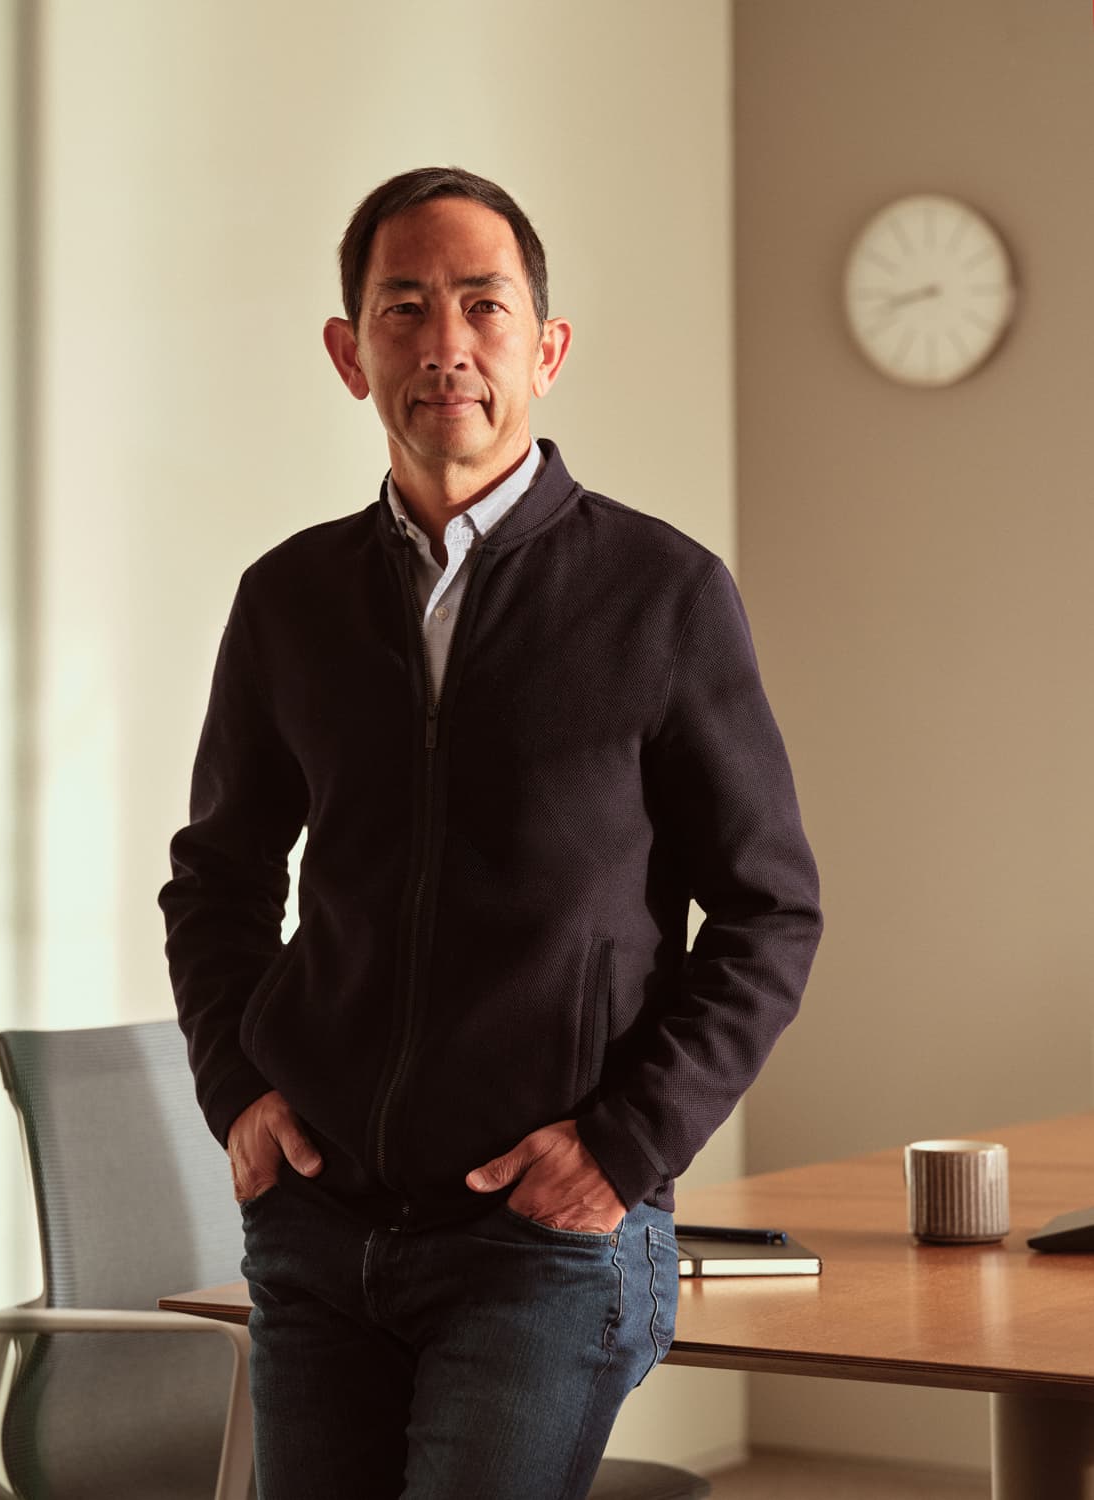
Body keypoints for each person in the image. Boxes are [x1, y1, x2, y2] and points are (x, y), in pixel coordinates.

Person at [159, 165, 821, 1500]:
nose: (444, 344)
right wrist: (236, 1090)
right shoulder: (288, 599)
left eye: (483, 305)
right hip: (317, 1231)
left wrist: (624, 1146)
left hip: (544, 1238)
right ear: (349, 353)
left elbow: (768, 913)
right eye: (402, 308)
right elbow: (217, 880)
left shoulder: (662, 594)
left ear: (545, 349)